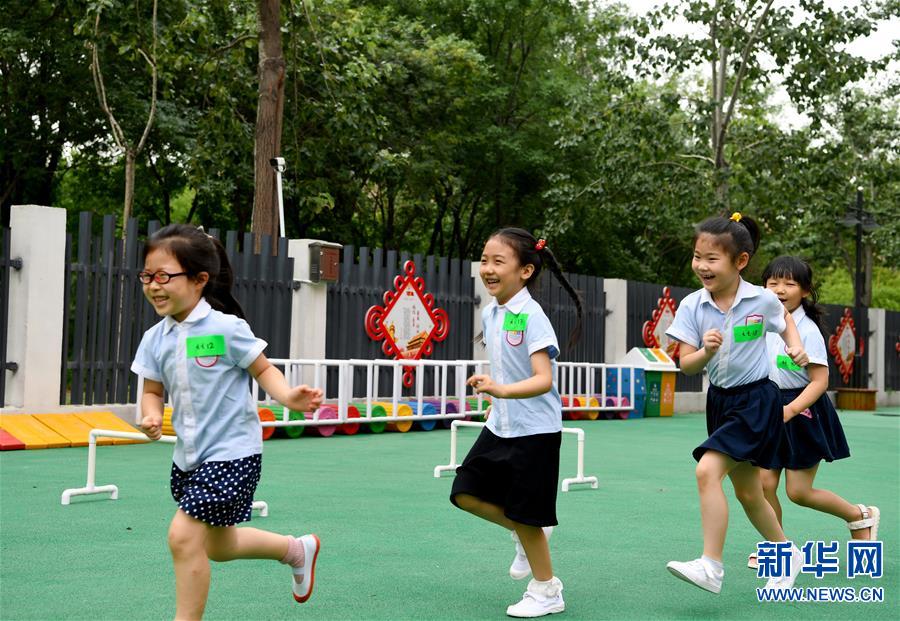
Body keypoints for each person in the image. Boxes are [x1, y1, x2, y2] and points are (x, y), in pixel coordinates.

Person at [131, 224, 324, 620]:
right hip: (189, 458)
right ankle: (296, 550)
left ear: (200, 280)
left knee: (183, 538)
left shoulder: (225, 328)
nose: (154, 285)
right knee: (218, 546)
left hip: (233, 455)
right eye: (147, 276)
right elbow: (152, 390)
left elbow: (263, 369)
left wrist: (288, 397)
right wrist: (150, 414)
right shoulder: (155, 338)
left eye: (164, 276)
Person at [664, 213, 809, 594]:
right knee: (748, 492)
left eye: (712, 258)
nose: (702, 266)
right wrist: (706, 351)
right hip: (720, 402)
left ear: (740, 261)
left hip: (757, 401)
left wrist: (795, 345)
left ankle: (711, 565)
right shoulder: (692, 306)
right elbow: (686, 364)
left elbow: (785, 321)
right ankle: (787, 552)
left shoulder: (762, 299)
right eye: (698, 257)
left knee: (706, 471)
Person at [450, 227, 583, 618]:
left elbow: (544, 379)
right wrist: (496, 400)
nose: (488, 269)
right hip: (502, 425)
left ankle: (547, 590)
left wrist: (501, 391)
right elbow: (506, 367)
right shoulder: (491, 312)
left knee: (527, 514)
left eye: (498, 261)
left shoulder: (531, 316)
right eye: (485, 260)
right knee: (464, 492)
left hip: (535, 432)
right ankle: (526, 532)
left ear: (525, 271)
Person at [745, 255, 880, 569]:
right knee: (764, 485)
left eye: (789, 283)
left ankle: (860, 516)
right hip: (769, 409)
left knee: (799, 492)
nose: (779, 289)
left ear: (804, 290)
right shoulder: (758, 321)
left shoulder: (808, 331)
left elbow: (820, 382)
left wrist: (790, 410)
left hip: (802, 410)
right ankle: (776, 547)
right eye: (773, 282)